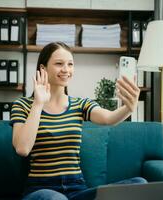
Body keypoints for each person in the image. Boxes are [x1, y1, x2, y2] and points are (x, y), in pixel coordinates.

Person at [10, 42, 146, 200]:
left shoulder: (80, 105)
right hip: (41, 190)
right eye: (59, 64)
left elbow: (109, 118)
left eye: (70, 64)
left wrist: (129, 108)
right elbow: (22, 148)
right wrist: (38, 103)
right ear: (43, 69)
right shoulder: (23, 105)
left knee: (139, 183)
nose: (66, 70)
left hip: (77, 190)